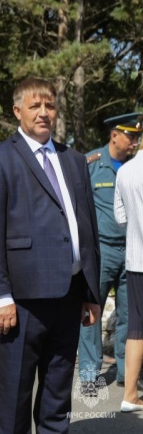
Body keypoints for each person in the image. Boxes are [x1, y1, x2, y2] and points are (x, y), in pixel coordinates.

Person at [0, 78, 101, 433]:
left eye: (49, 106)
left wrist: (91, 293)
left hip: (70, 292)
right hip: (23, 299)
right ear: (17, 111)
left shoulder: (74, 160)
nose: (44, 113)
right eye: (35, 106)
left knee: (57, 397)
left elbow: (87, 228)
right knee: (15, 395)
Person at [78, 113, 141, 389]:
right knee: (91, 312)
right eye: (130, 136)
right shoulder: (91, 163)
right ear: (114, 135)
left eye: (138, 137)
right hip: (100, 250)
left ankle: (129, 374)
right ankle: (90, 376)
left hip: (132, 250)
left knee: (131, 315)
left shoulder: (136, 166)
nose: (135, 142)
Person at [114, 116, 143, 412]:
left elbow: (120, 218)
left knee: (137, 328)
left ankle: (130, 395)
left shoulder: (125, 171)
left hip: (136, 259)